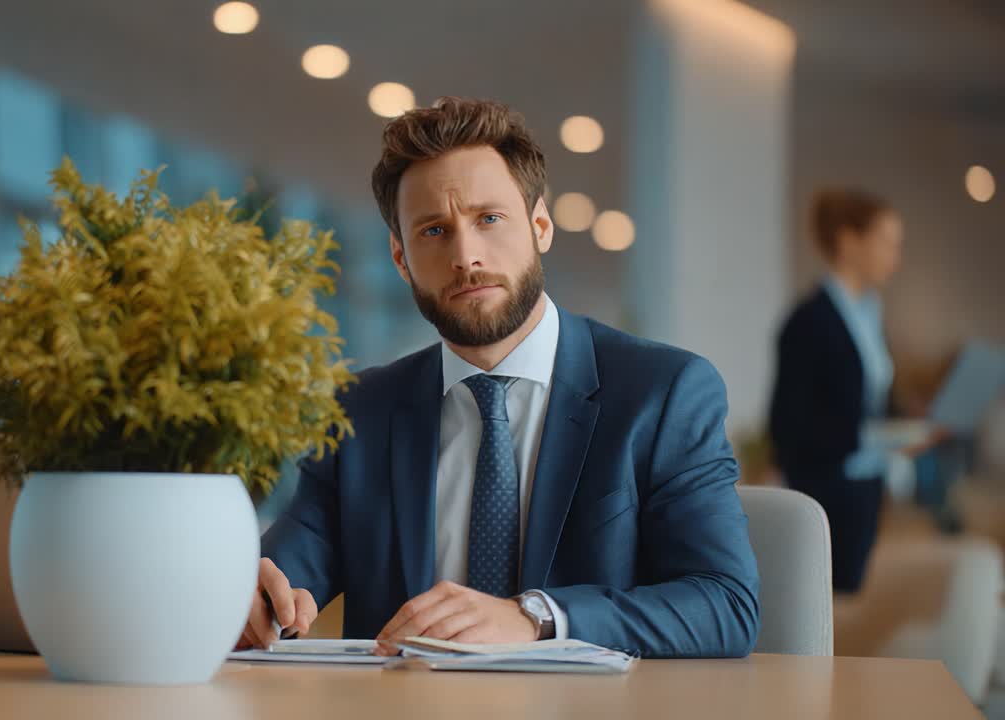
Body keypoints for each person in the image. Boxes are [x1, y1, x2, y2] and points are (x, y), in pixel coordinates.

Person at [239, 98, 759, 658]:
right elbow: (288, 569)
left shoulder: (664, 393)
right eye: (434, 231)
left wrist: (535, 617)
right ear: (400, 258)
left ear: (539, 226)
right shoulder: (361, 410)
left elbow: (724, 604)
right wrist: (254, 596)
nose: (466, 255)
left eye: (489, 219)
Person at [768, 189, 907, 593]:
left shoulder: (869, 314)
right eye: (887, 242)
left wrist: (904, 431)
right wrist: (872, 436)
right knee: (829, 606)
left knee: (854, 598)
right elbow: (787, 427)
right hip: (827, 493)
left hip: (865, 488)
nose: (895, 257)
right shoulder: (809, 322)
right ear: (849, 242)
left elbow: (870, 400)